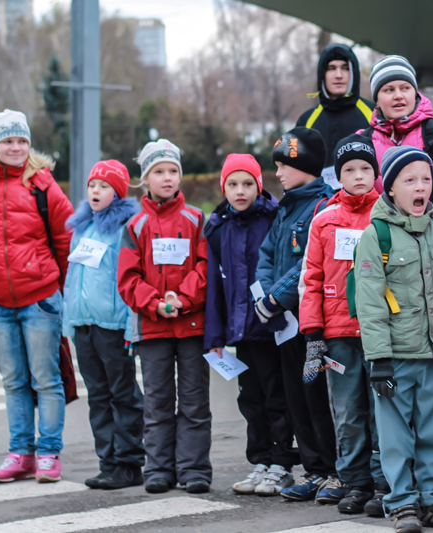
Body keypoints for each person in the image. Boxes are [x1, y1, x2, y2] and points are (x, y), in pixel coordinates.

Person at [354, 145, 433, 533]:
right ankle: (402, 502)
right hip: (396, 356)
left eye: (426, 179)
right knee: (394, 434)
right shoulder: (377, 236)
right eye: (410, 180)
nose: (421, 186)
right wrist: (379, 359)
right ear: (390, 189)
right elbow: (369, 301)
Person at [0, 109, 73, 484]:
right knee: (13, 382)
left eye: (21, 140)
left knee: (46, 380)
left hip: (40, 299)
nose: (16, 147)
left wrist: (55, 286)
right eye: (8, 141)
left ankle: (48, 454)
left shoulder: (44, 186)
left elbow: (65, 241)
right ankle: (20, 454)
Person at [298, 133, 388, 516]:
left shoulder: (387, 214)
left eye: (365, 168)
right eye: (348, 170)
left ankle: (385, 483)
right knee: (349, 411)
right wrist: (313, 333)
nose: (357, 176)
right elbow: (311, 278)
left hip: (380, 331)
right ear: (337, 175)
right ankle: (354, 482)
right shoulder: (324, 221)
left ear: (375, 172)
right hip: (337, 337)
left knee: (384, 408)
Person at [117, 139, 211, 495]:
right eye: (159, 172)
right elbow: (128, 279)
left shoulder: (196, 219)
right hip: (152, 328)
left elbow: (204, 267)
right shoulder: (135, 225)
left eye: (173, 171)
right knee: (156, 403)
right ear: (146, 179)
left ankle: (194, 469)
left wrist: (183, 299)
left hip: (191, 327)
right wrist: (154, 303)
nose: (168, 178)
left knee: (194, 401)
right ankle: (157, 468)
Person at [203, 154, 299, 496]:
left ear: (259, 185)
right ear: (223, 188)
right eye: (232, 184)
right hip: (240, 331)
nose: (240, 191)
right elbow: (214, 286)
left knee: (277, 396)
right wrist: (214, 336)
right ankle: (260, 459)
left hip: (272, 328)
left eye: (247, 183)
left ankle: (281, 463)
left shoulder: (275, 219)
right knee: (251, 398)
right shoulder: (217, 229)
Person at [254, 127, 337, 502]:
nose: (279, 173)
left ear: (306, 165)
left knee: (319, 398)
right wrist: (266, 295)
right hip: (285, 326)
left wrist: (276, 298)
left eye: (284, 164)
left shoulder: (323, 204)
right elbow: (267, 255)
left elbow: (308, 263)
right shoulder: (285, 207)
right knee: (296, 399)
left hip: (312, 323)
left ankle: (333, 469)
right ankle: (314, 468)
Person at [63, 160, 144, 490]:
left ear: (118, 192)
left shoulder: (127, 228)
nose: (95, 191)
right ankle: (107, 461)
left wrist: (130, 326)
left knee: (123, 394)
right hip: (84, 324)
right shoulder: (82, 227)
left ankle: (128, 464)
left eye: (104, 186)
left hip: (112, 326)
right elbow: (73, 277)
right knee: (97, 395)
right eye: (93, 185)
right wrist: (69, 318)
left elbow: (128, 280)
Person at [360, 55, 433, 219]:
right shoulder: (362, 141)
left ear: (415, 92)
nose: (398, 95)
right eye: (389, 90)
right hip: (382, 238)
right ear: (377, 99)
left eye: (405, 88)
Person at [296, 43, 375, 189]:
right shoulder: (306, 120)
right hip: (320, 206)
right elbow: (296, 170)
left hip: (367, 205)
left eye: (345, 68)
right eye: (331, 68)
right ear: (322, 74)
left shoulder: (374, 113)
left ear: (353, 73)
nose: (338, 75)